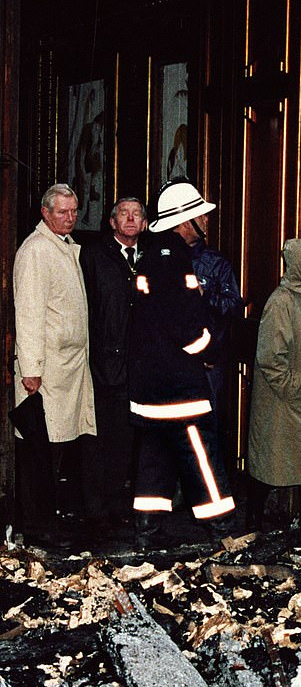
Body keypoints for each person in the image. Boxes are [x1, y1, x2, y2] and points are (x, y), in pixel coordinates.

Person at [128, 180, 236, 549]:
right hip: (180, 386)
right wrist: (208, 350)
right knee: (201, 457)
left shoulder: (149, 257)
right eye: (199, 215)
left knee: (154, 457)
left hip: (149, 387)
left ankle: (147, 531)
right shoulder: (175, 260)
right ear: (184, 221)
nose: (205, 220)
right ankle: (224, 529)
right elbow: (188, 326)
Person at [12, 183, 97, 545]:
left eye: (74, 211)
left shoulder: (63, 248)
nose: (70, 217)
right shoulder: (35, 252)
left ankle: (49, 520)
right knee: (38, 450)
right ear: (44, 213)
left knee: (57, 447)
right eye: (62, 212)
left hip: (68, 368)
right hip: (46, 372)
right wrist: (30, 368)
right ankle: (36, 526)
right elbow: (28, 314)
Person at [246, 238, 301, 531]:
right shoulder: (281, 302)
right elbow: (270, 357)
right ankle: (253, 523)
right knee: (272, 464)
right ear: (299, 265)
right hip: (285, 403)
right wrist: (292, 387)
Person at [79, 197, 147, 525]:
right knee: (97, 439)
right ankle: (95, 511)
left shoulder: (150, 258)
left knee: (126, 439)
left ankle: (118, 506)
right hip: (100, 365)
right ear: (112, 221)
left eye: (137, 214)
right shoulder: (93, 256)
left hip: (136, 368)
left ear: (145, 223)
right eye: (124, 214)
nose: (130, 219)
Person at [169, 177, 242, 462]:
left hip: (208, 363)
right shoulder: (163, 257)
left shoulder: (217, 263)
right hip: (174, 361)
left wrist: (205, 296)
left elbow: (233, 306)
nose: (207, 221)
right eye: (201, 216)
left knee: (205, 427)